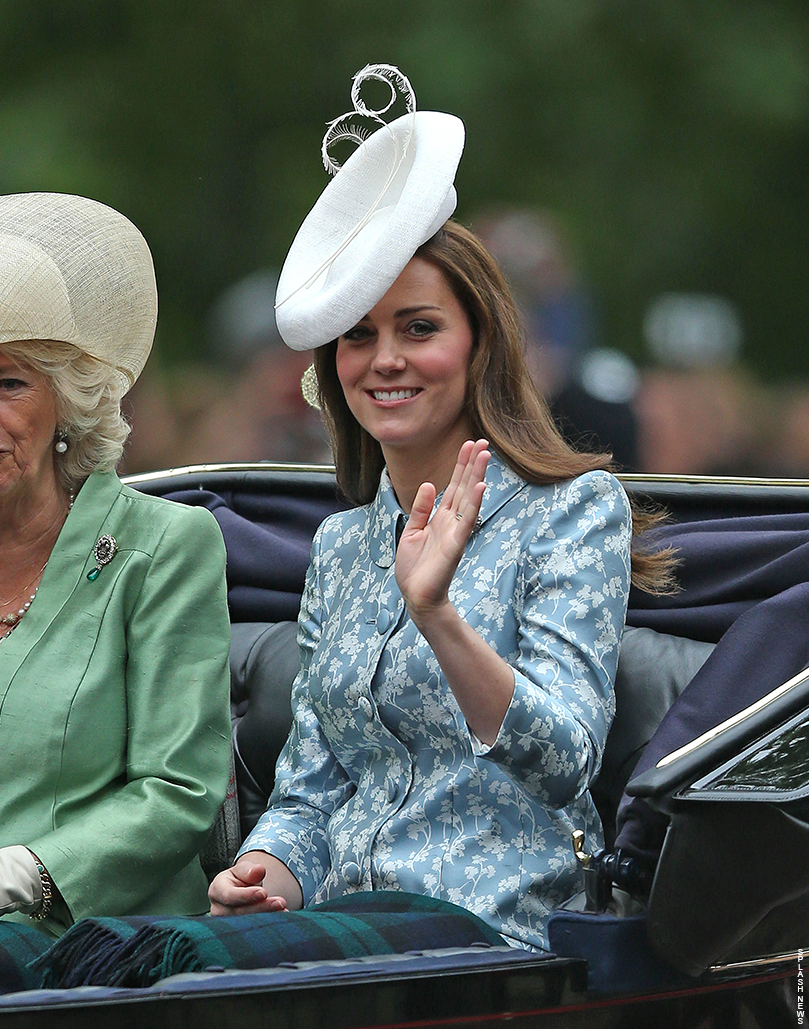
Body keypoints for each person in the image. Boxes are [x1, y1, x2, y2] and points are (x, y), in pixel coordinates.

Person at [208, 65, 671, 950]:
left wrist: (437, 615)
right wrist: (265, 868)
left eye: (418, 327)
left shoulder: (576, 511)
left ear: (478, 343)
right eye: (359, 334)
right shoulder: (343, 545)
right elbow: (309, 793)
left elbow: (566, 759)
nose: (385, 359)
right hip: (334, 930)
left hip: (495, 935)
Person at [0, 192, 232, 934]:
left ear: (65, 401)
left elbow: (180, 788)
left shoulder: (164, 547)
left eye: (7, 383)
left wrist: (21, 874)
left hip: (96, 946)